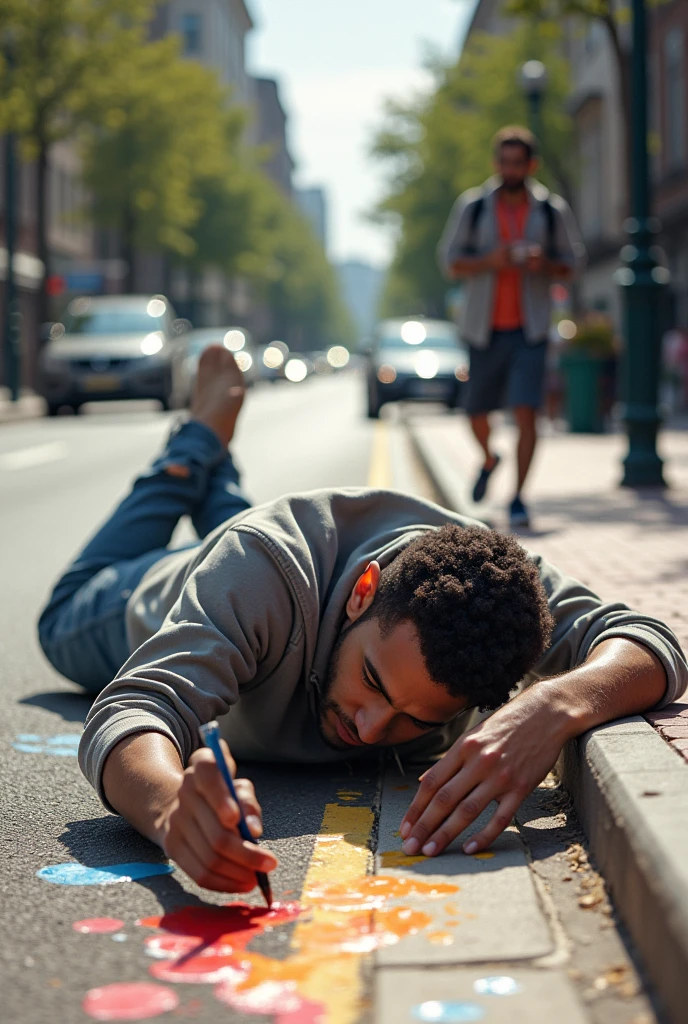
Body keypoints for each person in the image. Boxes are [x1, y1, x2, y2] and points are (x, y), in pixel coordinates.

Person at [38, 347, 686, 895]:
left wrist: (554, 706)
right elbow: (137, 706)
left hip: (258, 588)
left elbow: (653, 644)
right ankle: (197, 442)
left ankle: (220, 479)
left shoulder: (498, 588)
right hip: (148, 595)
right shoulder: (261, 568)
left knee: (243, 559)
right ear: (363, 592)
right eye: (374, 682)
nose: (372, 729)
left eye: (417, 720)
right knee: (60, 613)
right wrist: (168, 807)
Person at [438, 125, 585, 529]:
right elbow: (449, 261)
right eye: (504, 161)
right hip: (483, 329)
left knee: (526, 412)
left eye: (518, 162)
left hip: (531, 329)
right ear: (496, 163)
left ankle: (518, 497)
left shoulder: (551, 210)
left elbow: (573, 264)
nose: (511, 168)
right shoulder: (474, 207)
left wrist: (545, 265)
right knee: (476, 412)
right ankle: (488, 457)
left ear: (530, 165)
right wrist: (492, 260)